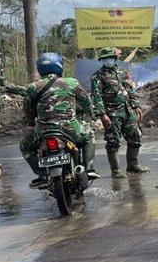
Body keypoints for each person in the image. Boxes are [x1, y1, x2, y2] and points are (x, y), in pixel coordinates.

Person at [19, 52, 101, 187]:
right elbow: (86, 102)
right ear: (59, 66)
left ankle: (41, 173)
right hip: (70, 129)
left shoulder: (33, 87)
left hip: (44, 131)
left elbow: (27, 110)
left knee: (24, 146)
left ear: (40, 68)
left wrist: (30, 121)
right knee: (89, 135)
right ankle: (89, 168)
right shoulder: (71, 82)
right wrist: (92, 115)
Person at [90, 47, 149, 178]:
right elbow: (96, 96)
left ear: (115, 59)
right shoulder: (97, 76)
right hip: (111, 114)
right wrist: (102, 114)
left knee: (135, 137)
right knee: (113, 142)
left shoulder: (122, 72)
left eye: (110, 58)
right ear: (102, 60)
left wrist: (136, 104)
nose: (108, 60)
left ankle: (132, 165)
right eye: (105, 59)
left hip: (127, 111)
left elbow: (130, 88)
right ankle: (116, 171)